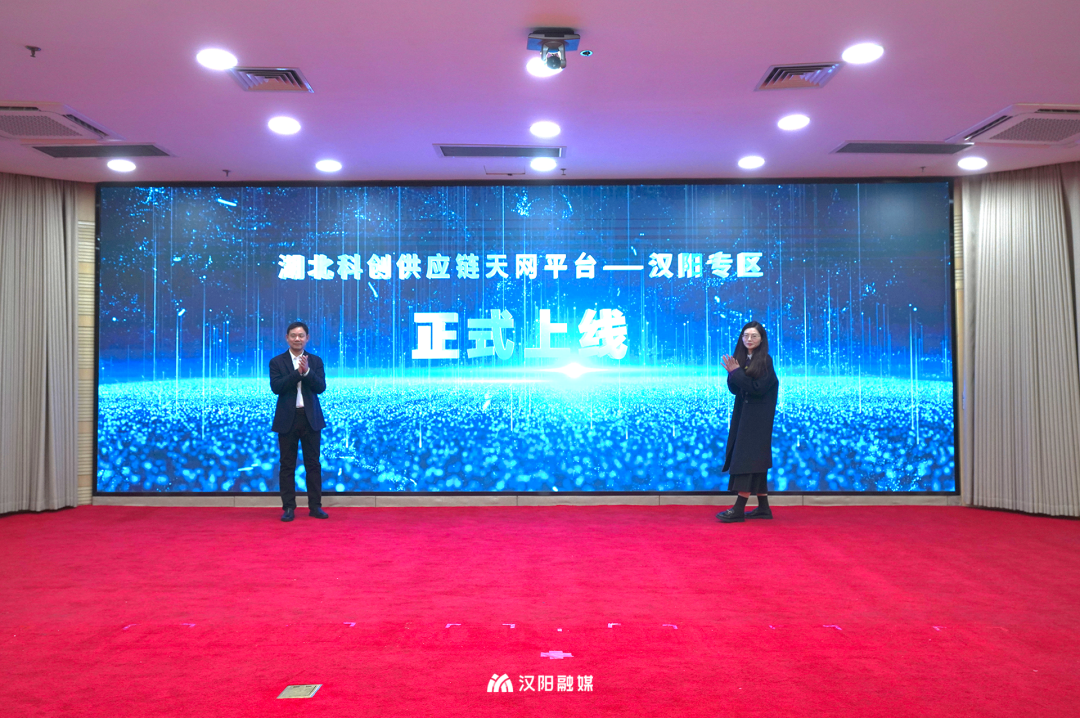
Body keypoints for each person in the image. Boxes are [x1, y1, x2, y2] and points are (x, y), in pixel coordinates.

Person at [716, 321, 779, 523]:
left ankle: (738, 508)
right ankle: (764, 508)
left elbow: (756, 388)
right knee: (755, 459)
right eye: (745, 335)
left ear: (761, 339)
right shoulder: (742, 359)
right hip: (744, 416)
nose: (749, 339)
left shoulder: (765, 360)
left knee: (747, 460)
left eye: (754, 336)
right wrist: (733, 373)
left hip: (758, 419)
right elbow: (735, 389)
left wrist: (736, 373)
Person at [269, 321, 328, 522]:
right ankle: (288, 507)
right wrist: (298, 373)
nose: (297, 339)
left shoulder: (316, 361)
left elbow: (321, 387)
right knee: (287, 465)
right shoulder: (277, 362)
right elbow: (277, 388)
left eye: (301, 335)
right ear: (287, 338)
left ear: (307, 338)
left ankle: (315, 507)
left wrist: (308, 372)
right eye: (293, 335)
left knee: (313, 465)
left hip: (311, 419)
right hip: (287, 419)